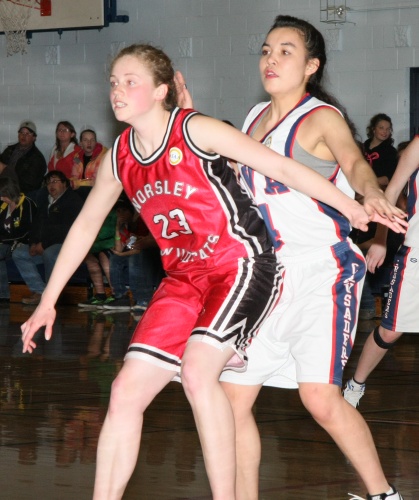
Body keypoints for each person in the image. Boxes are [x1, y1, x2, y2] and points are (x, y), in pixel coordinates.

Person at [19, 44, 405, 500]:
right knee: (124, 391)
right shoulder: (120, 155)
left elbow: (281, 167)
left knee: (200, 372)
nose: (117, 90)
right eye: (113, 82)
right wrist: (47, 302)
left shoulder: (195, 128)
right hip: (183, 279)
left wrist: (351, 206)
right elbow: (85, 226)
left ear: (161, 90)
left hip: (241, 264)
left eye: (130, 81)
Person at [164, 15, 409, 500]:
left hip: (321, 272)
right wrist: (192, 122)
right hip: (266, 277)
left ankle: (383, 494)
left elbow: (354, 161)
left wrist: (370, 193)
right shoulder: (255, 117)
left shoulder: (322, 117)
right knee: (232, 401)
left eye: (285, 51)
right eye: (266, 50)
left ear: (311, 66)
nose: (271, 59)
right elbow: (229, 171)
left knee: (320, 398)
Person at [343, 135, 419, 414]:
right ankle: (355, 385)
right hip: (416, 251)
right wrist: (379, 240)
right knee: (390, 331)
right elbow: (391, 192)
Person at [354, 113, 401, 319]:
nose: (385, 131)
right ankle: (367, 304)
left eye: (388, 129)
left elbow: (389, 179)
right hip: (359, 201)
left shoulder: (389, 152)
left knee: (372, 248)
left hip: (379, 202)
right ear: (373, 129)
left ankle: (373, 304)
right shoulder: (363, 148)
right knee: (359, 246)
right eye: (381, 127)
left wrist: (368, 184)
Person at [13, 170, 84, 305]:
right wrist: (33, 243)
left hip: (67, 245)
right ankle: (39, 291)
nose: (51, 185)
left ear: (65, 184)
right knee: (19, 253)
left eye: (55, 181)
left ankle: (52, 295)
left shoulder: (73, 201)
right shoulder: (46, 201)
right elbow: (36, 225)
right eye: (48, 183)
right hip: (44, 244)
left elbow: (67, 230)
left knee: (49, 253)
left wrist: (44, 244)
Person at [102, 195, 162, 313]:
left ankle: (143, 299)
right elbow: (119, 249)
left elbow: (143, 246)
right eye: (118, 211)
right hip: (135, 250)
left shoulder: (144, 219)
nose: (121, 214)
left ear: (132, 211)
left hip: (153, 252)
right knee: (115, 258)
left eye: (124, 210)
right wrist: (117, 228)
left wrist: (123, 254)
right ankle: (121, 297)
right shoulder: (126, 225)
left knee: (135, 258)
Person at [0, 177, 37, 303]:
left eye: (3, 195)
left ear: (10, 192)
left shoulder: (27, 204)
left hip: (23, 242)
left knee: (12, 252)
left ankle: (4, 293)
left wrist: (3, 240)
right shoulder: (3, 206)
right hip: (6, 243)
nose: (1, 198)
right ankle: (3, 294)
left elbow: (28, 230)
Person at [77, 207, 117, 309]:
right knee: (89, 258)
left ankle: (116, 294)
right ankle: (100, 295)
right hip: (95, 245)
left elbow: (107, 232)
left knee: (103, 256)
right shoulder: (92, 211)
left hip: (112, 244)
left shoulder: (115, 213)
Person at [0, 120, 47, 195]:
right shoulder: (9, 150)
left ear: (34, 138)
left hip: (22, 194)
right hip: (3, 188)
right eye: (21, 133)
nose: (23, 136)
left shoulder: (37, 158)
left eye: (27, 134)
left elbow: (30, 184)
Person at [70, 128, 108, 192]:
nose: (89, 143)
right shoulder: (77, 157)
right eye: (85, 140)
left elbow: (96, 181)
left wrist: (76, 183)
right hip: (81, 190)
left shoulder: (102, 156)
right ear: (81, 143)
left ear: (96, 142)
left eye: (92, 140)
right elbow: (74, 176)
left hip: (98, 191)